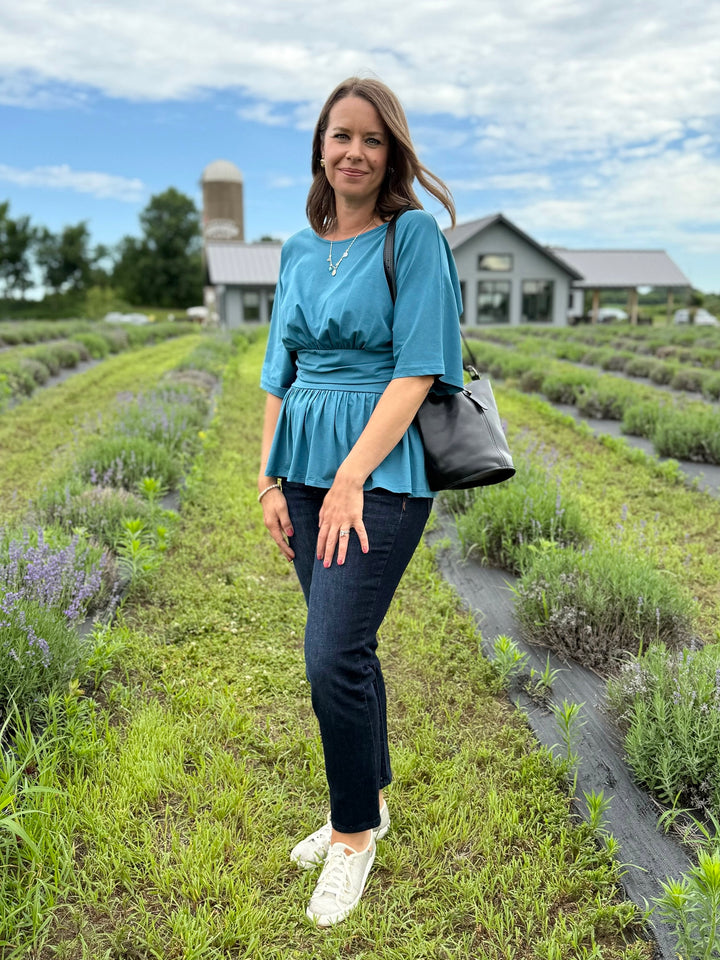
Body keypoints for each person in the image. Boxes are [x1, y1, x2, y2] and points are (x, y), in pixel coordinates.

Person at [258, 76, 464, 927]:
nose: (353, 152)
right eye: (341, 136)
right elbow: (280, 369)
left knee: (330, 654)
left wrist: (350, 478)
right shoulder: (298, 249)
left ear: (393, 154)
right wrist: (270, 477)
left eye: (372, 140)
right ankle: (369, 802)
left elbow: (417, 367)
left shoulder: (411, 237)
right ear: (319, 146)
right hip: (302, 464)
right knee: (351, 646)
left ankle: (352, 838)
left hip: (378, 472)